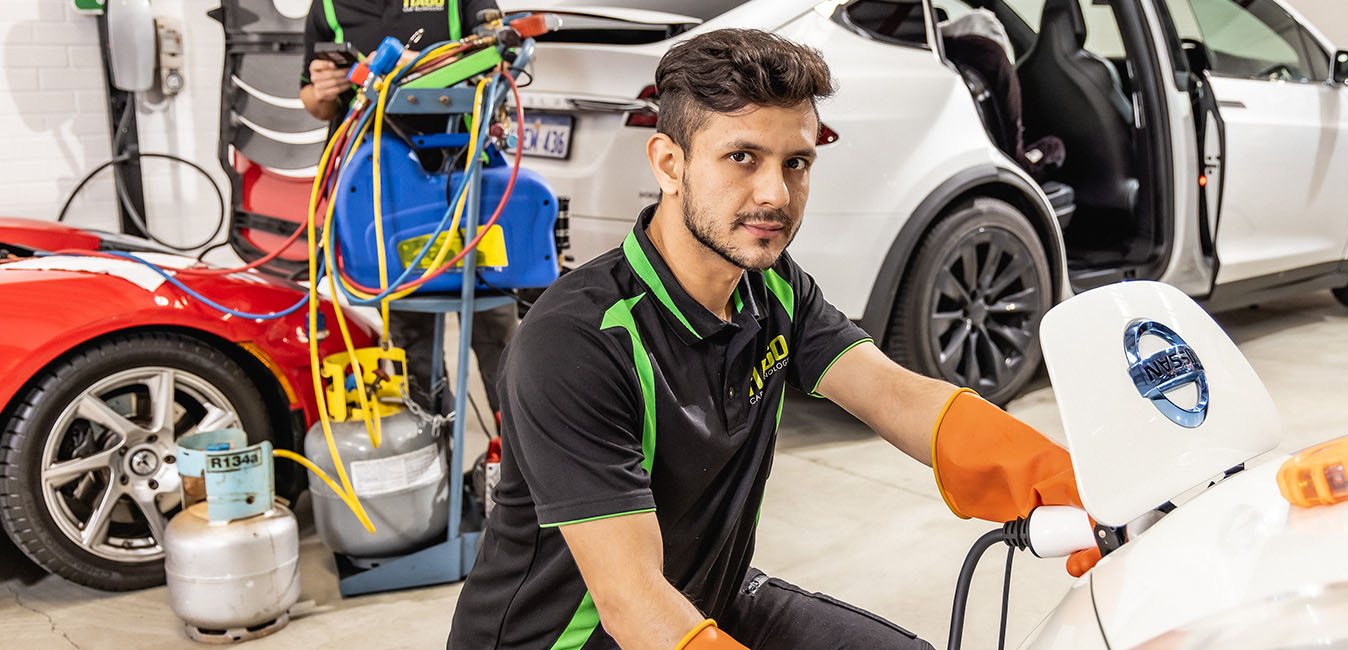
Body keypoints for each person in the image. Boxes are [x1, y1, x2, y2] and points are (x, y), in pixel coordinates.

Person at [448, 28, 1098, 650]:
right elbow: (632, 604)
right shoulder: (579, 342)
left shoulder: (773, 287)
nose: (776, 193)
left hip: (708, 597)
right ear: (670, 164)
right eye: (742, 157)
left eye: (797, 163)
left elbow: (890, 393)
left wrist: (1063, 478)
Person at [298, 0, 517, 417]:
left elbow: (499, 56)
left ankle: (519, 450)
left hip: (465, 181)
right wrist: (323, 88)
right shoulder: (326, 6)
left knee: (495, 329)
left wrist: (415, 65)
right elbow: (314, 100)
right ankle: (431, 444)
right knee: (411, 338)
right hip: (386, 195)